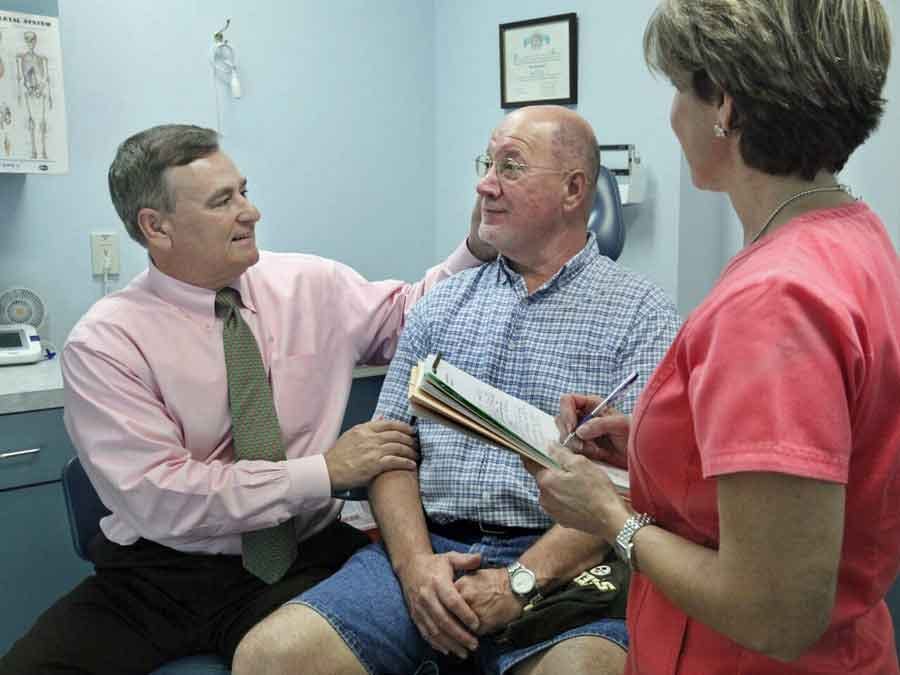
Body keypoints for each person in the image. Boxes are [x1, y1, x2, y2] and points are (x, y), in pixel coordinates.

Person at [0, 123, 495, 674]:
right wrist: (324, 471)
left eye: (243, 190)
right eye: (223, 201)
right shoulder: (107, 342)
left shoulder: (311, 284)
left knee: (355, 653)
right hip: (162, 574)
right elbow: (165, 495)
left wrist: (476, 248)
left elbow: (413, 316)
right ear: (155, 228)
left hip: (303, 555)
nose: (250, 211)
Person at [232, 105, 681, 675]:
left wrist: (521, 580)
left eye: (511, 167)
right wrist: (417, 568)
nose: (485, 183)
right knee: (269, 657)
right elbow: (390, 453)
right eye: (487, 162)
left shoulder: (642, 314)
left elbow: (635, 489)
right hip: (432, 546)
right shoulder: (443, 304)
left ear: (573, 191)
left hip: (567, 560)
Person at [527, 2, 900, 674]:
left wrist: (609, 517)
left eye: (678, 87)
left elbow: (776, 609)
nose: (673, 115)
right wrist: (651, 439)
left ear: (724, 104)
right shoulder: (852, 235)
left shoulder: (775, 299)